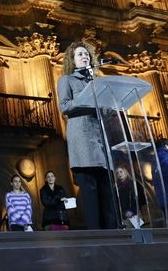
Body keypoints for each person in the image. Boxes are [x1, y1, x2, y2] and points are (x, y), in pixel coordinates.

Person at [57, 40, 118, 230]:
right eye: (79, 55)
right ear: (72, 60)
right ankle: (96, 236)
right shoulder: (67, 80)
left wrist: (110, 108)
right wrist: (84, 99)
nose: (84, 57)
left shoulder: (97, 82)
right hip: (82, 140)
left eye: (86, 54)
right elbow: (64, 106)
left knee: (107, 191)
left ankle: (113, 235)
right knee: (90, 192)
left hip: (100, 141)